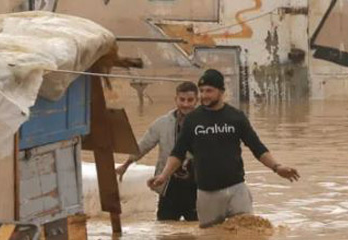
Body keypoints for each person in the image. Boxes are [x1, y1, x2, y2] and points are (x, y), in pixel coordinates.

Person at [148, 69, 300, 228]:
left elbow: (257, 147)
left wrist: (277, 167)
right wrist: (164, 176)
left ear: (221, 91)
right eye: (202, 91)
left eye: (209, 91)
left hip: (236, 189)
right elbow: (178, 153)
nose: (204, 95)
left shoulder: (236, 117)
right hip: (207, 193)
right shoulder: (193, 120)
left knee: (246, 234)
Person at [116, 81, 199, 221]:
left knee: (200, 231)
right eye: (182, 99)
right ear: (176, 99)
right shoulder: (162, 123)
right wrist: (126, 165)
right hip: (168, 184)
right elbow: (143, 146)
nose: (185, 104)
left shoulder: (206, 124)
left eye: (190, 100)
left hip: (197, 185)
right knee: (165, 230)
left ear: (197, 101)